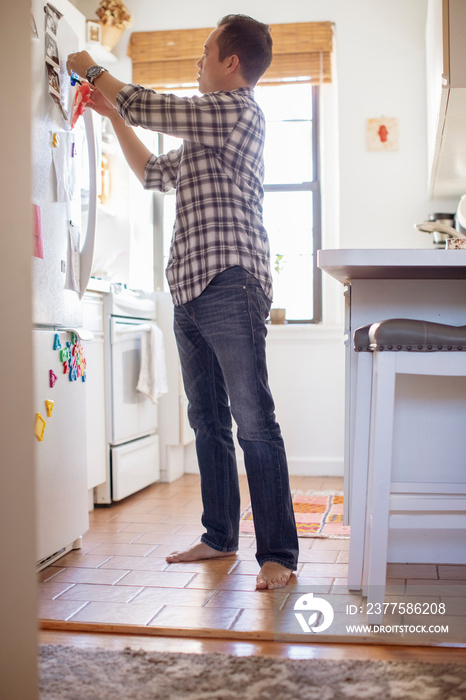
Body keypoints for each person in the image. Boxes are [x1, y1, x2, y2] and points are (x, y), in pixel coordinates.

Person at [67, 14, 299, 590]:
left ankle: (279, 555)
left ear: (231, 63)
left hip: (230, 282)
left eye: (204, 51)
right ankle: (219, 537)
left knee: (253, 420)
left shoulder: (237, 110)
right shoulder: (205, 137)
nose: (197, 61)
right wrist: (110, 112)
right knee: (207, 420)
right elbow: (150, 172)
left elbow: (151, 106)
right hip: (189, 289)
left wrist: (92, 69)